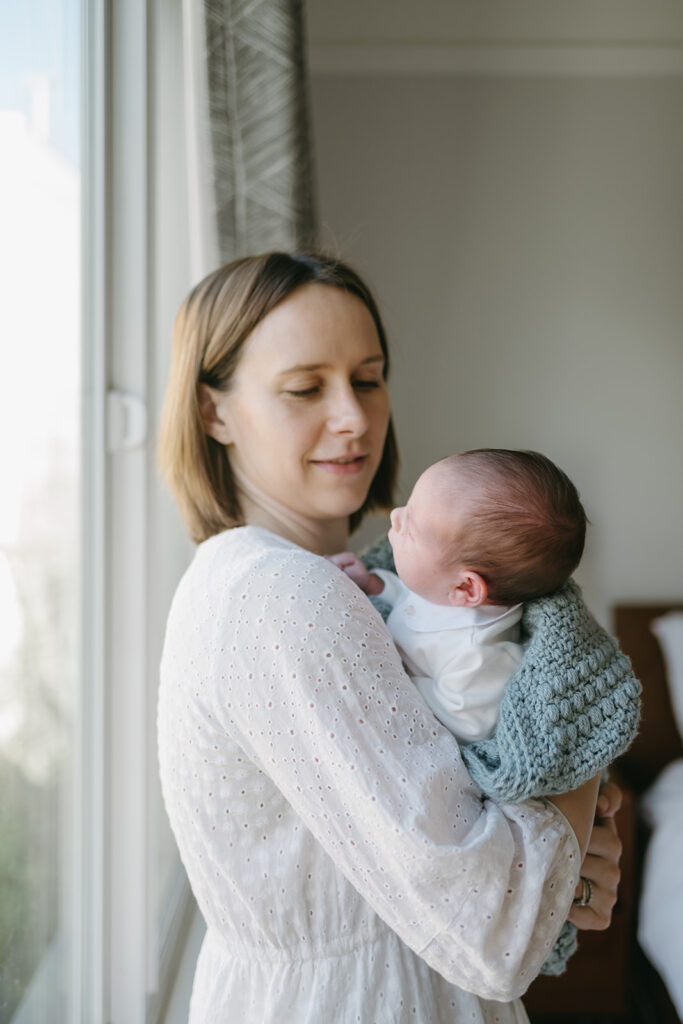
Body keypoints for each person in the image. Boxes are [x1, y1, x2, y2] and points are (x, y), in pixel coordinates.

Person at [157, 251, 629, 1024]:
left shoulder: (345, 583)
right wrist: (575, 774)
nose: (353, 418)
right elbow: (495, 931)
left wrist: (565, 869)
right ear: (213, 413)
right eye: (305, 387)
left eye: (368, 379)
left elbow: (453, 852)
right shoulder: (284, 595)